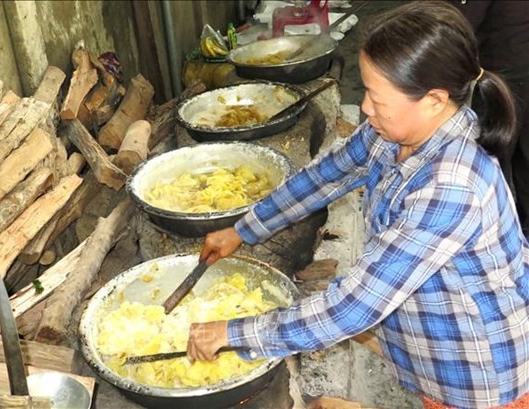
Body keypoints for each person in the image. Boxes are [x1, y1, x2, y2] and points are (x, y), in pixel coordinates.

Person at [185, 2, 529, 409]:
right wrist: (242, 229)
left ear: (434, 99)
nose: (365, 107)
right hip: (431, 342)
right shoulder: (396, 134)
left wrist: (233, 333)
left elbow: (353, 308)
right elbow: (326, 175)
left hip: (475, 373)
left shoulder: (452, 186)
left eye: (377, 98)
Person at [448, 0, 529, 239]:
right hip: (517, 62)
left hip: (505, 76)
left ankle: (497, 239)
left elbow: (459, 25)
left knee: (491, 161)